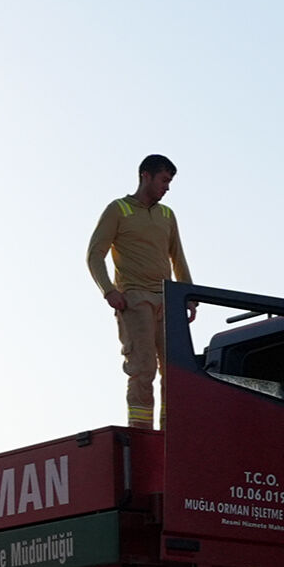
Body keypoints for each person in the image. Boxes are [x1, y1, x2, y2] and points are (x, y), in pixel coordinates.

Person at [86, 154, 191, 431]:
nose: (166, 188)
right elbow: (95, 254)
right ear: (146, 175)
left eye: (169, 182)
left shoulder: (167, 215)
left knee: (176, 371)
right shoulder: (118, 210)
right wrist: (109, 290)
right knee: (144, 369)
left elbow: (177, 257)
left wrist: (187, 295)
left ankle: (172, 432)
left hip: (167, 300)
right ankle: (141, 433)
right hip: (134, 298)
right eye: (163, 180)